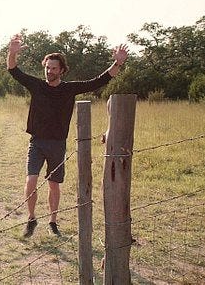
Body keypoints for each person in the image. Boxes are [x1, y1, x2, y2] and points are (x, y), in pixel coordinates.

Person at [7, 34, 128, 238]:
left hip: (57, 144)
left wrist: (117, 63)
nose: (49, 71)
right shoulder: (36, 85)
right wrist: (11, 52)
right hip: (36, 142)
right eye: (47, 67)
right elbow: (13, 70)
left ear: (61, 70)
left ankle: (53, 222)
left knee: (54, 184)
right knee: (31, 180)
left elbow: (99, 81)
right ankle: (31, 219)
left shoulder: (69, 89)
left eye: (54, 68)